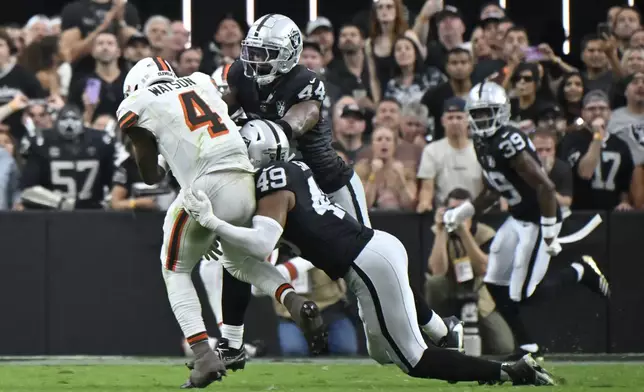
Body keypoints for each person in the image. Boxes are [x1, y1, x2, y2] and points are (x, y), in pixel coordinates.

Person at [182, 119, 556, 386]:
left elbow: (263, 244)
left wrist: (212, 221)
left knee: (414, 361)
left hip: (367, 263)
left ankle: (508, 372)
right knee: (382, 352)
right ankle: (445, 331)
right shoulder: (290, 168)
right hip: (371, 255)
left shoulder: (272, 180)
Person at [221, 14, 447, 370]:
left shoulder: (306, 81)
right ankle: (231, 342)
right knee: (238, 255)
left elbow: (303, 117)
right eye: (253, 52)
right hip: (277, 185)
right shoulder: (240, 74)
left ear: (287, 55)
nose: (255, 61)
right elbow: (222, 112)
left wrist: (273, 131)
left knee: (367, 263)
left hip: (329, 184)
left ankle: (436, 328)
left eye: (265, 54)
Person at [115, 57, 326, 388]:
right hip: (244, 180)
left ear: (136, 86)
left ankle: (203, 355)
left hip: (205, 185)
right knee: (240, 261)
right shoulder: (200, 80)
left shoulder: (139, 101)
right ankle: (294, 300)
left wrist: (158, 160)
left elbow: (149, 172)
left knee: (175, 269)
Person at [447, 81, 611, 360]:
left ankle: (579, 271)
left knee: (521, 294)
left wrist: (548, 233)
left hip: (539, 220)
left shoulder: (508, 141)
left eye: (489, 112)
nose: (483, 119)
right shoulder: (481, 141)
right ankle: (527, 346)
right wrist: (463, 212)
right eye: (478, 114)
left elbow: (545, 188)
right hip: (518, 217)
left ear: (502, 112)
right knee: (494, 281)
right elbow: (491, 189)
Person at [20, 104, 114, 210]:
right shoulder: (41, 143)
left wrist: (109, 201)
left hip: (92, 211)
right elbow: (27, 189)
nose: (69, 123)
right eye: (65, 119)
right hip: (51, 212)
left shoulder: (101, 142)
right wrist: (61, 203)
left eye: (74, 119)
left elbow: (113, 183)